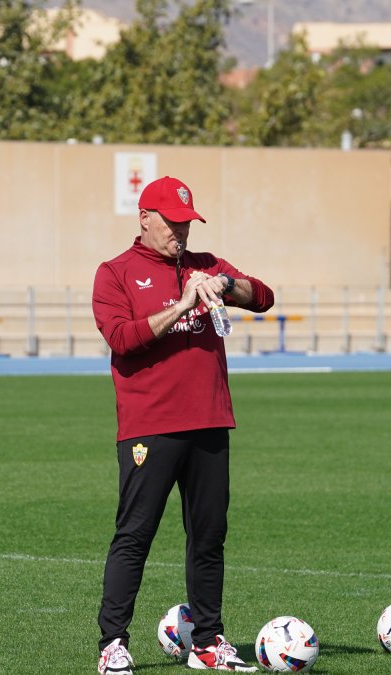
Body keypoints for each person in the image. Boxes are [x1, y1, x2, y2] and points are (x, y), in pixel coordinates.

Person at [92, 176, 275, 673]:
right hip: (150, 427)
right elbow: (122, 338)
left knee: (209, 538)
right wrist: (182, 306)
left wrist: (225, 285)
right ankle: (113, 643)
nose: (181, 232)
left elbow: (263, 296)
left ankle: (209, 643)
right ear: (144, 219)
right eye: (172, 223)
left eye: (187, 223)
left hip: (210, 422)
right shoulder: (115, 273)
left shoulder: (206, 264)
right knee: (135, 536)